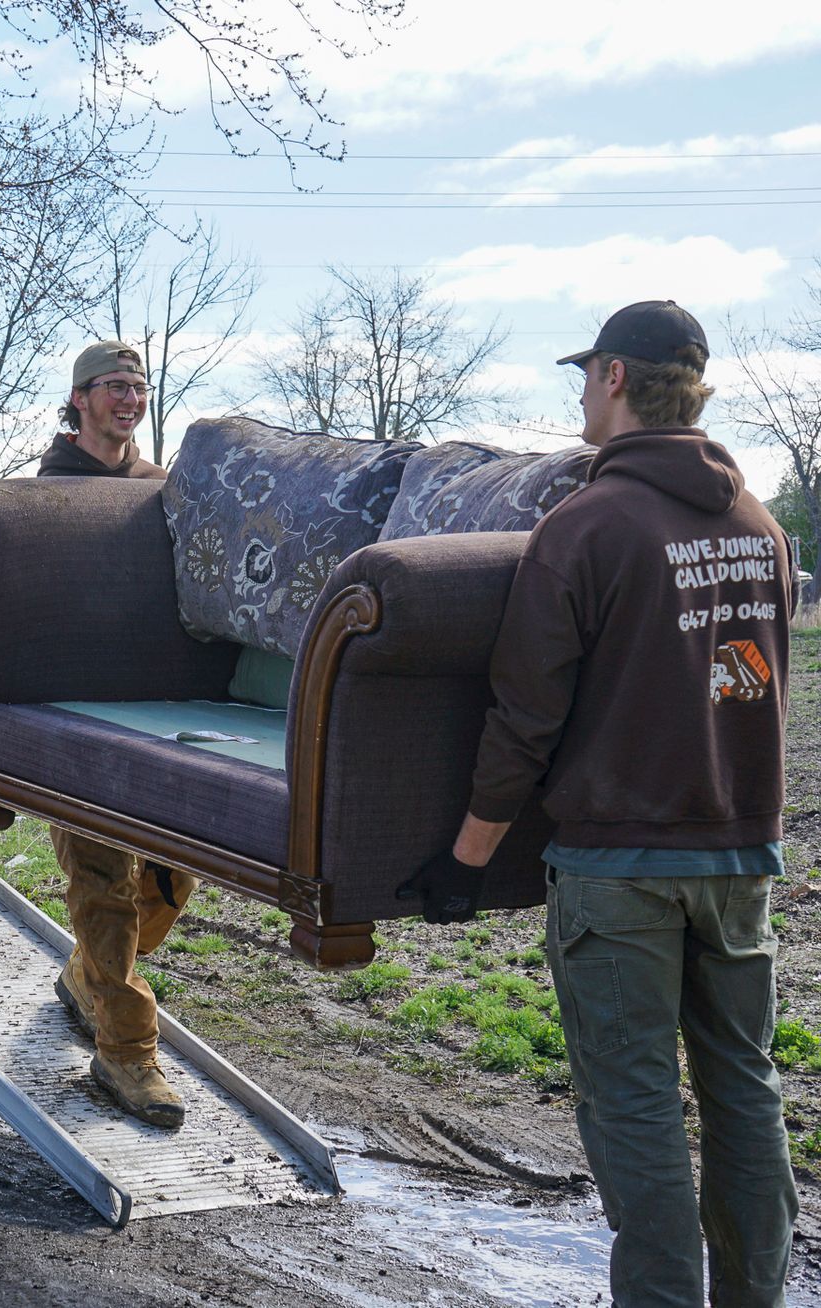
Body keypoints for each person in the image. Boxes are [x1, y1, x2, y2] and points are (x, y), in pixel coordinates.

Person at [401, 300, 799, 1307]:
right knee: (746, 1094)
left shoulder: (583, 526)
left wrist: (465, 857)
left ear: (617, 377)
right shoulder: (763, 528)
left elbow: (523, 721)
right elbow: (750, 687)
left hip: (619, 874)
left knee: (634, 1111)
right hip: (742, 863)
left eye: (586, 375)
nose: (580, 394)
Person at [37, 340, 190, 1129]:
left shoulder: (161, 487)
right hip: (79, 712)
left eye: (138, 387)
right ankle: (127, 1054)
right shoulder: (49, 490)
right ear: (81, 400)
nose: (129, 399)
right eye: (113, 387)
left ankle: (85, 980)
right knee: (103, 885)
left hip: (157, 710)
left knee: (171, 878)